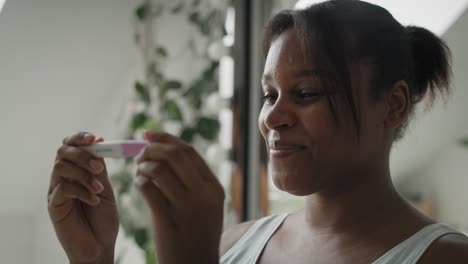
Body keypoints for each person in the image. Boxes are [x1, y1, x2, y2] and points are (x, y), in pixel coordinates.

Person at [48, 1, 468, 263]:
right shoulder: (233, 244)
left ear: (392, 105)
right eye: (270, 94)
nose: (272, 118)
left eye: (306, 92)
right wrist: (95, 258)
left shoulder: (446, 258)